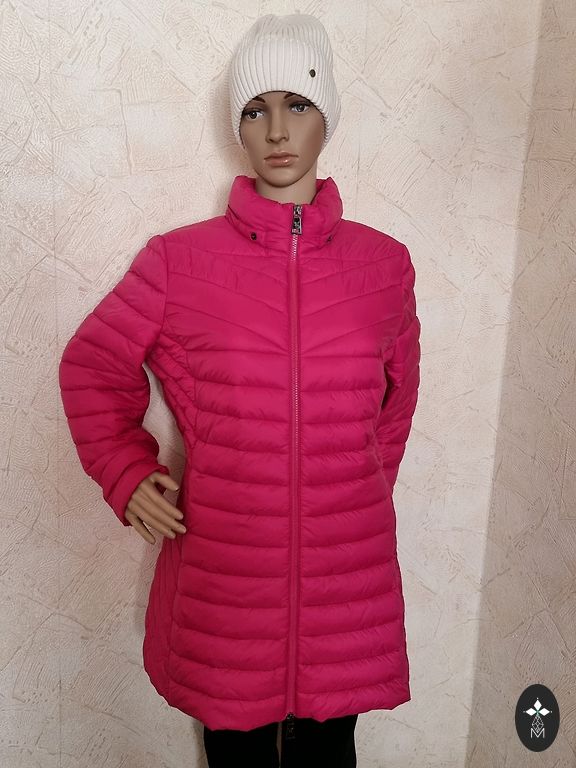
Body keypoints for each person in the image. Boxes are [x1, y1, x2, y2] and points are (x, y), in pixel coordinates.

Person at [59, 12, 421, 768]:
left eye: (299, 104)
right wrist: (126, 471)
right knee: (236, 754)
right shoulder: (178, 263)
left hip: (345, 583)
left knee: (331, 752)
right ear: (238, 126)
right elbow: (92, 366)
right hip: (225, 583)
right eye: (255, 110)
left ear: (328, 117)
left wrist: (352, 491)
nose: (277, 130)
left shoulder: (384, 266)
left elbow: (396, 403)